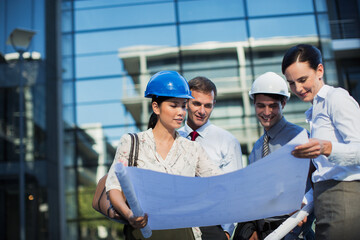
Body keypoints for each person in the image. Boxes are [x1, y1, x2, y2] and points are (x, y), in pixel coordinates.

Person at [105, 71, 223, 240]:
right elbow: (114, 187)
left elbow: (219, 183)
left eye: (183, 105)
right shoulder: (132, 143)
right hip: (143, 231)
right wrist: (130, 215)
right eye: (173, 106)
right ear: (156, 107)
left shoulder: (192, 149)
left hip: (184, 232)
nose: (181, 112)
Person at [282, 44, 360, 240]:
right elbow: (325, 172)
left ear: (319, 71)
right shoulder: (315, 110)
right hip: (325, 199)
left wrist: (327, 148)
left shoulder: (336, 98)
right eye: (291, 83)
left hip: (344, 196)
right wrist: (305, 200)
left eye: (302, 80)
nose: (298, 88)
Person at [233, 72, 314, 240]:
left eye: (273, 106)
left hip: (294, 231)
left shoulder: (300, 138)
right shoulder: (257, 147)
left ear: (283, 103)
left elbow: (317, 183)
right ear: (254, 104)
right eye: (261, 105)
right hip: (264, 231)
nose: (266, 112)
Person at [178, 76, 243, 239]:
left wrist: (227, 231)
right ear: (186, 102)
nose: (202, 111)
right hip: (177, 223)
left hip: (212, 226)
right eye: (197, 103)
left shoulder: (227, 141)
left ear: (214, 105)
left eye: (208, 105)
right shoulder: (172, 138)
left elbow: (234, 190)